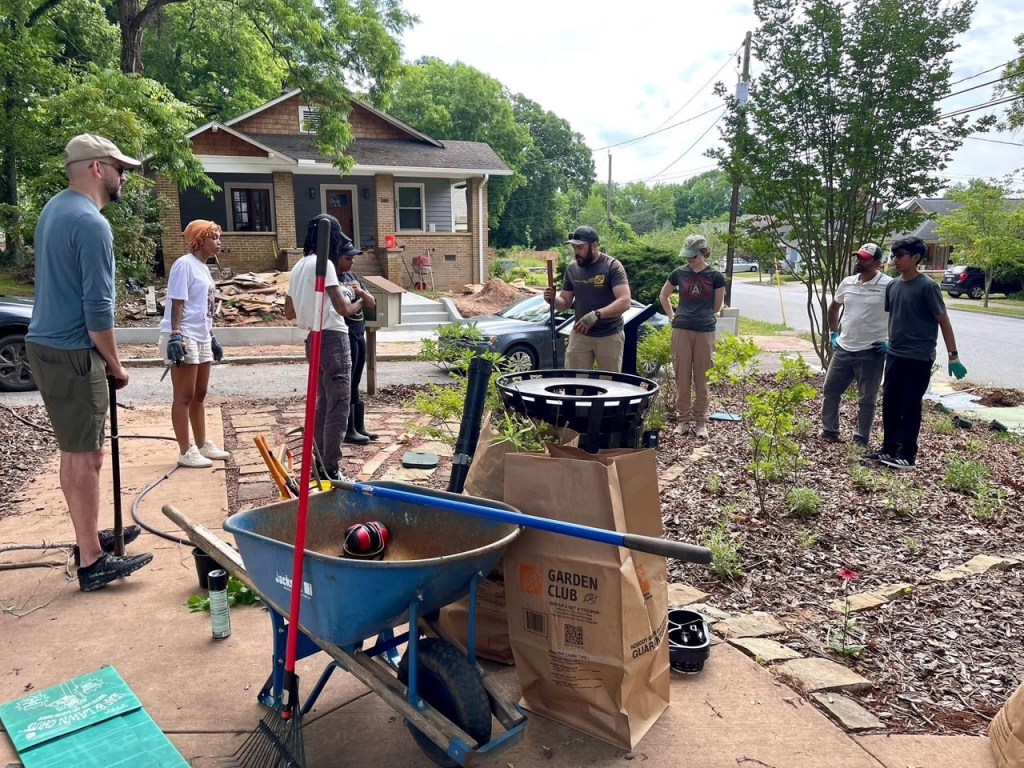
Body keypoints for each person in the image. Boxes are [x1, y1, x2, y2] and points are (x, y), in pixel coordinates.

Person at [25, 134, 153, 592]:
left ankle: (88, 537)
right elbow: (97, 311)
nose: (124, 178)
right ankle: (93, 561)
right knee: (87, 455)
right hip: (74, 352)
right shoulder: (91, 223)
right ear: (97, 168)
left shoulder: (55, 209)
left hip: (46, 344)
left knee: (75, 449)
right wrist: (115, 364)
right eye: (120, 169)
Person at [866, 236, 967, 470]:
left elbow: (944, 321)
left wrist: (953, 356)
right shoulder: (892, 286)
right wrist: (890, 342)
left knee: (909, 405)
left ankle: (907, 455)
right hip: (895, 355)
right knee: (890, 403)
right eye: (894, 255)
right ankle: (889, 449)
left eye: (900, 255)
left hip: (918, 357)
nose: (895, 260)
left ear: (915, 258)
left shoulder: (928, 287)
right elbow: (896, 317)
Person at [285, 215, 365, 480]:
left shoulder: (298, 266)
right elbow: (342, 308)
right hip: (333, 337)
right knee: (339, 404)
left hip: (313, 338)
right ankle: (331, 467)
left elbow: (288, 312)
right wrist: (360, 301)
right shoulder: (325, 264)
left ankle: (319, 463)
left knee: (322, 402)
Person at [158, 220, 231, 468]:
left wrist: (212, 336)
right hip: (184, 334)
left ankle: (201, 444)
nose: (219, 241)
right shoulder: (184, 265)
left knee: (200, 394)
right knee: (184, 395)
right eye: (214, 237)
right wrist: (175, 334)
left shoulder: (203, 268)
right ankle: (185, 450)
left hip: (202, 335)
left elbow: (205, 307)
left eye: (219, 237)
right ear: (200, 240)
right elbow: (177, 301)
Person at [819, 243, 892, 447]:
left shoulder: (889, 285)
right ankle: (830, 430)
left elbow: (901, 315)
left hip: (871, 351)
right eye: (858, 257)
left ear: (877, 263)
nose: (859, 261)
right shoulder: (848, 283)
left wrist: (891, 342)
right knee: (830, 390)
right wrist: (834, 333)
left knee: (867, 399)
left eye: (864, 259)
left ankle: (861, 438)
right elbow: (834, 308)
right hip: (844, 348)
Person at [659, 235, 725, 440]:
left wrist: (703, 315)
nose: (689, 259)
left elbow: (717, 306)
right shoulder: (678, 273)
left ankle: (701, 421)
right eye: (687, 255)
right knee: (682, 376)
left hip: (705, 330)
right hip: (681, 328)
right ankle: (683, 420)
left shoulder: (715, 276)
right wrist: (672, 315)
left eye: (693, 255)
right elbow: (664, 295)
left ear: (703, 253)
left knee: (702, 378)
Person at [543, 225, 631, 371]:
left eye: (580, 247)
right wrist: (553, 299)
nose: (576, 252)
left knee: (610, 382)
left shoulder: (612, 266)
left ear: (594, 245)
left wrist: (596, 315)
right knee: (574, 380)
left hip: (609, 334)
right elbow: (564, 303)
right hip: (580, 333)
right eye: (574, 248)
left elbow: (625, 301)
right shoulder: (572, 268)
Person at [337, 247, 379, 445]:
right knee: (350, 380)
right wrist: (361, 301)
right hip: (346, 334)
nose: (351, 262)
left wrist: (360, 292)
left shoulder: (353, 277)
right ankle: (348, 428)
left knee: (357, 379)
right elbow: (346, 310)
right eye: (348, 258)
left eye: (353, 259)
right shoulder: (335, 280)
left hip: (359, 332)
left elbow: (372, 302)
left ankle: (358, 425)